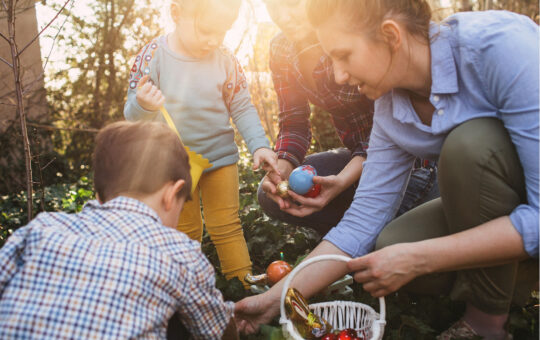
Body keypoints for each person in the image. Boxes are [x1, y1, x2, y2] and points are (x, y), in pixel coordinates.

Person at [235, 2, 539, 339]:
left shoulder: (500, 47)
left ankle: (486, 322)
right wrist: (274, 300)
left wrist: (421, 258)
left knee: (469, 145)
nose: (338, 75)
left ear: (391, 35)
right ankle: (515, 270)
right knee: (391, 242)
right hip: (503, 203)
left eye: (344, 55)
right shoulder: (391, 106)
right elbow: (361, 221)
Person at [0, 121, 238, 339]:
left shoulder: (41, 228)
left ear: (98, 196)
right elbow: (217, 332)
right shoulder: (179, 251)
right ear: (172, 194)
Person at [124, 0, 278, 285]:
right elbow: (132, 115)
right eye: (207, 30)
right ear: (176, 13)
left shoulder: (226, 59)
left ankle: (243, 289)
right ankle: (187, 292)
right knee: (184, 231)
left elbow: (241, 106)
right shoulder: (152, 56)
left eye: (222, 32)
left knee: (227, 226)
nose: (214, 41)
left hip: (221, 160)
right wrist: (144, 105)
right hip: (173, 167)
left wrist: (259, 145)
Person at [258, 0, 438, 235]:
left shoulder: (358, 39)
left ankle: (373, 231)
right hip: (359, 158)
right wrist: (280, 171)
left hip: (407, 161)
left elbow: (391, 133)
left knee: (377, 236)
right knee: (267, 195)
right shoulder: (281, 49)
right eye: (273, 7)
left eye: (292, 4)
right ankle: (356, 234)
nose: (282, 16)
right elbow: (294, 123)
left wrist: (343, 181)